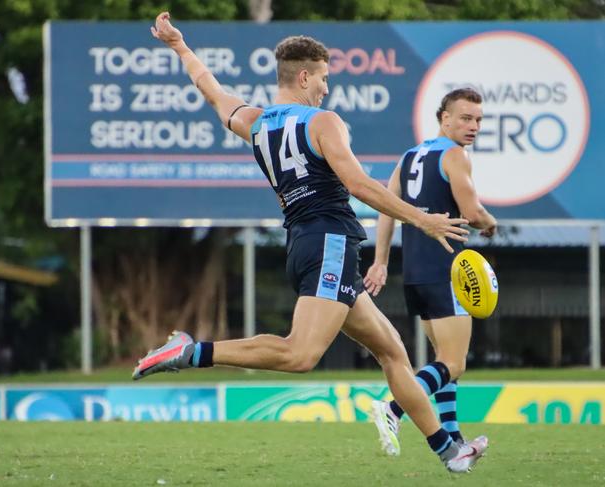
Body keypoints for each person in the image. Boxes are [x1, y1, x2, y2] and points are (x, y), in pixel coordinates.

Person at [134, 12, 487, 473]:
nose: (326, 87)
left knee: (393, 351)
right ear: (304, 76)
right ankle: (189, 351)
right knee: (300, 354)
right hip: (331, 243)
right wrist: (424, 220)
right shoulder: (324, 122)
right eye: (323, 78)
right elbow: (359, 185)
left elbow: (211, 90)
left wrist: (181, 47)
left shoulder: (254, 122)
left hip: (305, 244)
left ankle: (449, 451)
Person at [364, 87, 497, 449]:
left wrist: (380, 261)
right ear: (445, 118)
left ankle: (454, 439)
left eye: (479, 120)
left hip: (416, 274)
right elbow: (472, 212)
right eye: (466, 118)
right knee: (454, 363)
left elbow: (386, 207)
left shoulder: (410, 156)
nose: (474, 126)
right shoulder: (455, 155)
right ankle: (393, 408)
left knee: (443, 362)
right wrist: (489, 221)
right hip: (447, 270)